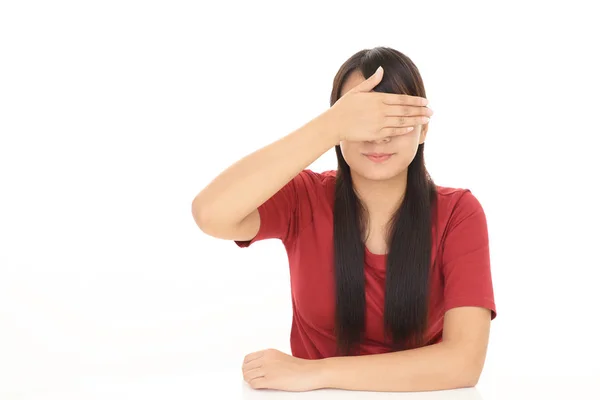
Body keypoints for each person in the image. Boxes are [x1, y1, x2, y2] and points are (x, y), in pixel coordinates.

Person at [191, 46, 497, 393]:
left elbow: (463, 363)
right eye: (362, 116)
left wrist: (315, 373)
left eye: (394, 117)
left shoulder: (459, 213)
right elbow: (211, 213)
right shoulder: (303, 198)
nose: (378, 135)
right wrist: (331, 125)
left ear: (423, 129)